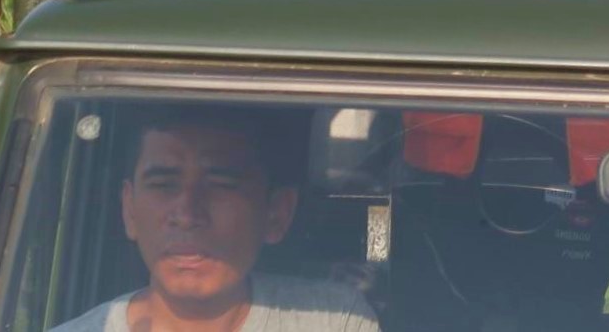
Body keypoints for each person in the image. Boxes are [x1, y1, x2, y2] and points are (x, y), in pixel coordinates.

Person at [51, 106, 378, 332]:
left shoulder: (333, 321)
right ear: (129, 209)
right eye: (163, 185)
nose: (187, 214)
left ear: (276, 213)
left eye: (220, 186)